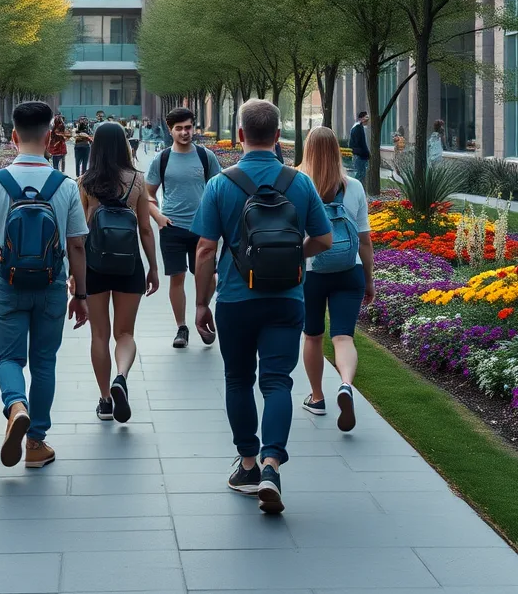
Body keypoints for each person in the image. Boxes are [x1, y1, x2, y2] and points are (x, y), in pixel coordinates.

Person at [192, 99, 333, 514]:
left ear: (239, 136)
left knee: (238, 380)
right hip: (287, 299)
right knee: (277, 383)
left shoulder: (221, 184)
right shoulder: (300, 183)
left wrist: (201, 303)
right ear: (277, 137)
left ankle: (248, 465)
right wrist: (293, 260)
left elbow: (204, 249)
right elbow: (324, 240)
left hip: (236, 299)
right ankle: (273, 463)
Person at [0, 101, 89, 469]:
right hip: (52, 283)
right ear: (49, 134)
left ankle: (15, 405)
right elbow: (76, 244)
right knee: (44, 362)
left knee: (9, 357)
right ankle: (36, 444)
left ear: (13, 135)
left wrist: (2, 257)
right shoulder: (65, 185)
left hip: (9, 283)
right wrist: (81, 293)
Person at [79, 121, 160, 422]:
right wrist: (152, 266)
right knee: (125, 332)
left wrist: (75, 275)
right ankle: (121, 377)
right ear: (124, 144)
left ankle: (104, 401)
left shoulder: (85, 181)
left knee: (99, 334)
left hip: (94, 265)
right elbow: (145, 228)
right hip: (129, 265)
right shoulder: (136, 180)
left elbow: (80, 232)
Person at [297, 126, 374, 431]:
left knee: (313, 336)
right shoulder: (354, 186)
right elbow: (365, 241)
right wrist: (369, 280)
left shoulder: (297, 184)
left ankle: (317, 397)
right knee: (343, 337)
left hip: (311, 271)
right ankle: (345, 383)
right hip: (349, 269)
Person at [146, 106, 221, 349]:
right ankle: (181, 327)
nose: (184, 132)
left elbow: (217, 190)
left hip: (202, 228)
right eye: (179, 129)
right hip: (172, 227)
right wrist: (158, 216)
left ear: (193, 127)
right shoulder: (163, 159)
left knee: (208, 277)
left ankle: (202, 309)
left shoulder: (205, 156)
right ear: (170, 130)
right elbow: (148, 195)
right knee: (176, 278)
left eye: (188, 127)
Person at [348, 111, 370, 184]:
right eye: (366, 117)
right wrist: (366, 154)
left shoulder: (359, 127)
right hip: (360, 156)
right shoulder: (358, 128)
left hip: (359, 155)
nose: (368, 120)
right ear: (361, 118)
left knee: (360, 174)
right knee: (360, 174)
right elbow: (360, 144)